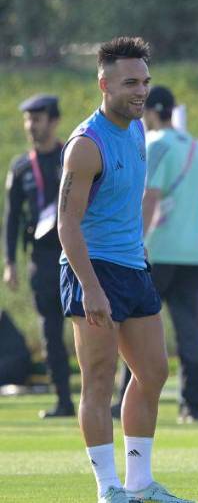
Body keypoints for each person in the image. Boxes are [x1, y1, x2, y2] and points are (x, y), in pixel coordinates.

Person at [58, 37, 192, 503]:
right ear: (104, 84)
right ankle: (108, 489)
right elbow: (66, 223)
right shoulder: (85, 145)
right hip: (91, 268)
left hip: (133, 267)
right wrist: (91, 288)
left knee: (153, 372)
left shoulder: (137, 130)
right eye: (131, 82)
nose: (142, 92)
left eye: (146, 81)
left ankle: (140, 484)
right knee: (98, 378)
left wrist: (138, 256)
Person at [112, 85, 198, 423]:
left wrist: (134, 242)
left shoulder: (155, 145)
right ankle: (192, 404)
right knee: (191, 330)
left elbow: (149, 198)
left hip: (156, 251)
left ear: (152, 112)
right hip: (193, 254)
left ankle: (126, 400)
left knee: (135, 327)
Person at [4, 94, 75, 418]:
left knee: (91, 329)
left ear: (54, 120)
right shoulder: (21, 167)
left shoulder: (72, 156)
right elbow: (12, 217)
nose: (32, 125)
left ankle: (100, 400)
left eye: (38, 118)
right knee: (50, 334)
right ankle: (63, 401)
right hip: (42, 260)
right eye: (28, 119)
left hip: (76, 255)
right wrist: (10, 262)